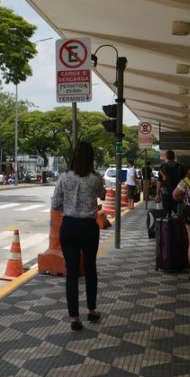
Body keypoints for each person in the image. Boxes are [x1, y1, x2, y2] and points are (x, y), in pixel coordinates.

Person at [50, 141, 106, 331]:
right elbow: (104, 195)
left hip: (69, 227)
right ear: (90, 159)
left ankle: (74, 317)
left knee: (71, 272)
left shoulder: (64, 178)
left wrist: (69, 207)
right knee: (90, 268)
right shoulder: (95, 178)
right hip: (89, 227)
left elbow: (55, 203)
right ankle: (91, 310)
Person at [156, 150, 185, 217]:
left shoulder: (163, 167)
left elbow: (159, 181)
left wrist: (157, 194)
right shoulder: (180, 167)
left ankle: (168, 225)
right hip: (178, 193)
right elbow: (184, 181)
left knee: (166, 213)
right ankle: (178, 225)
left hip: (166, 192)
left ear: (166, 157)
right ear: (174, 157)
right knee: (178, 212)